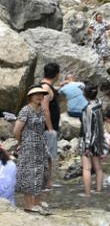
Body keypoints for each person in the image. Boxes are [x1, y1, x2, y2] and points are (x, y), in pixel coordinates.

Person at [14, 85, 51, 215]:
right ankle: (28, 205)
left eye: (41, 94)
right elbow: (16, 130)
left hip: (40, 145)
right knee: (28, 175)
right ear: (30, 96)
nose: (39, 96)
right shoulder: (25, 110)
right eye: (36, 94)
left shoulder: (41, 110)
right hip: (28, 146)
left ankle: (36, 203)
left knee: (41, 173)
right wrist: (21, 142)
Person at [79, 83, 106, 197]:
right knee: (98, 167)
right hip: (99, 138)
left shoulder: (88, 109)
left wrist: (87, 146)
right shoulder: (99, 103)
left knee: (86, 168)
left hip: (89, 140)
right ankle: (99, 190)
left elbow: (88, 128)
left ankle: (87, 193)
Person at [40, 62, 60, 190]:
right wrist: (50, 128)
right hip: (46, 128)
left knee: (47, 156)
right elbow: (45, 109)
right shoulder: (46, 88)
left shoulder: (44, 85)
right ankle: (46, 183)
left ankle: (46, 182)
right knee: (48, 156)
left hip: (45, 127)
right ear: (57, 75)